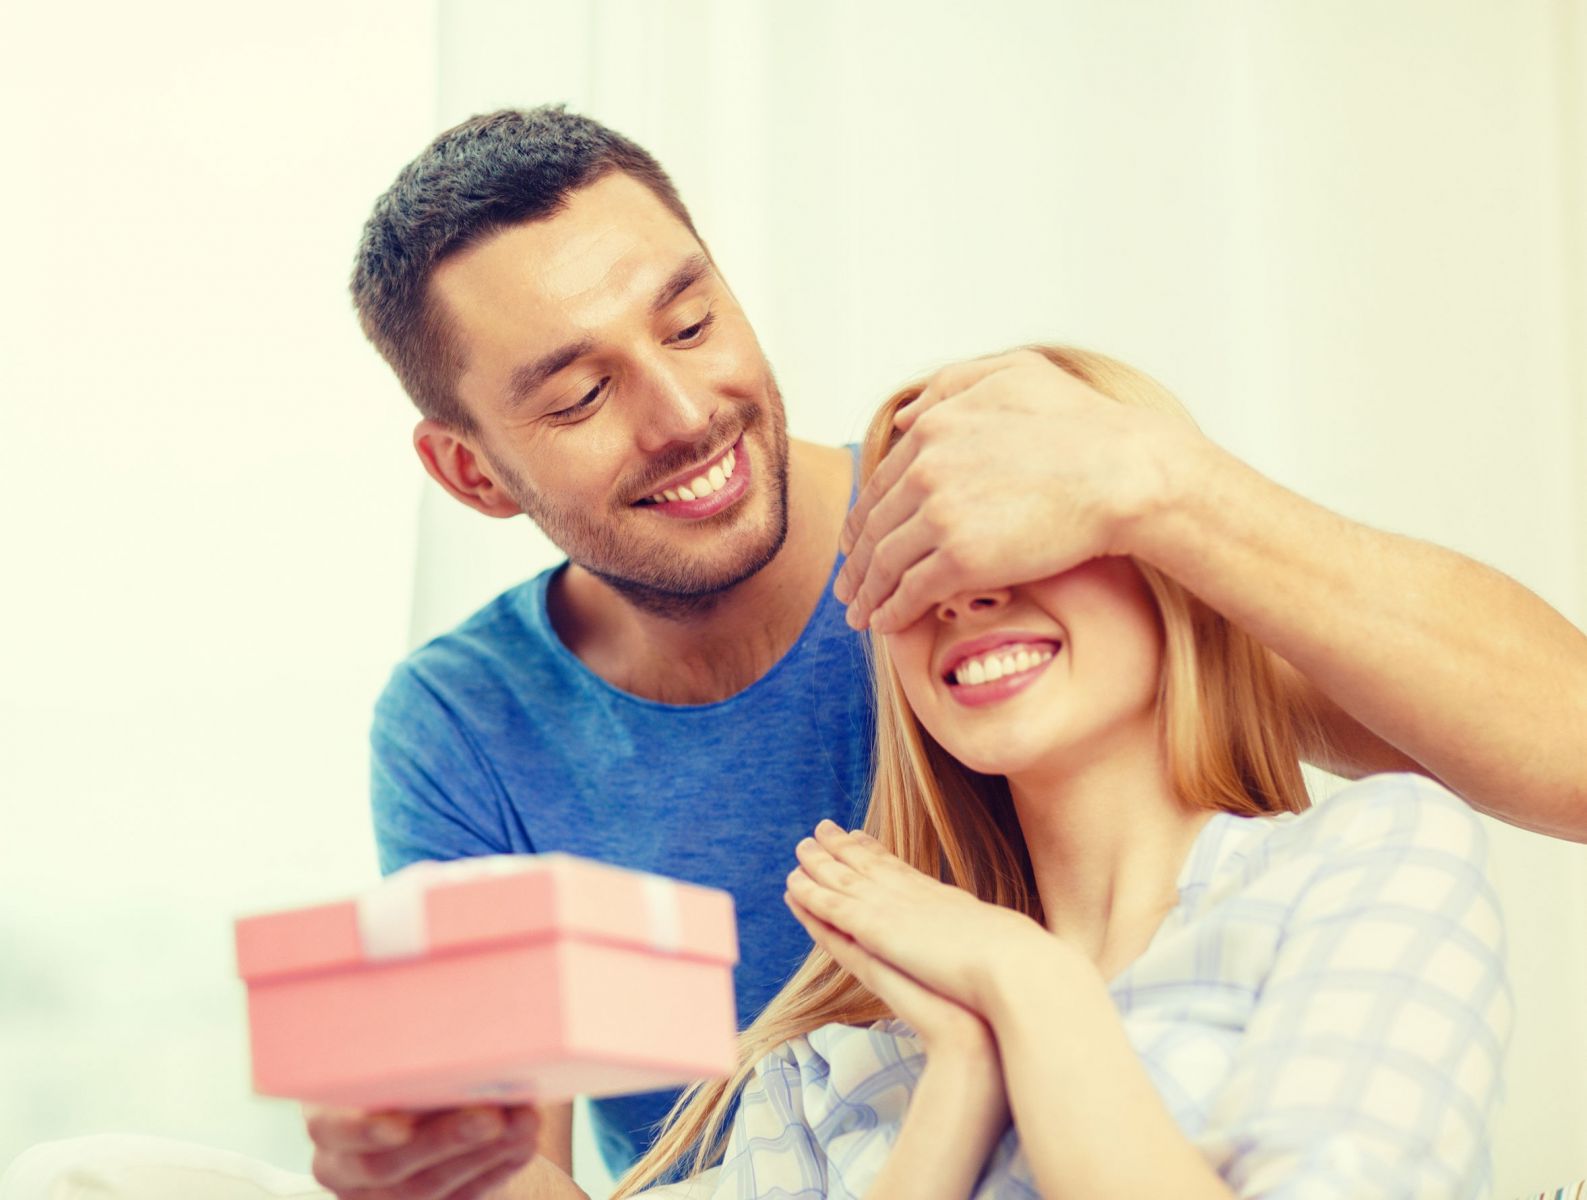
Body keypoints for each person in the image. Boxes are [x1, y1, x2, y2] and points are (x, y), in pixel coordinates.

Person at [306, 105, 1586, 1200]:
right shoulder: (470, 731)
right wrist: (440, 1165)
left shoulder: (1020, 543)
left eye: (691, 323)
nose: (684, 415)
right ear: (470, 471)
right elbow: (514, 1168)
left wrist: (1161, 485)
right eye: (579, 397)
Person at [612, 347, 1512, 1199]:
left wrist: (1032, 988)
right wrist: (963, 1074)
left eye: (1021, 525)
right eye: (912, 549)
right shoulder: (822, 1072)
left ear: (1178, 557)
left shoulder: (1366, 862)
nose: (963, 588)